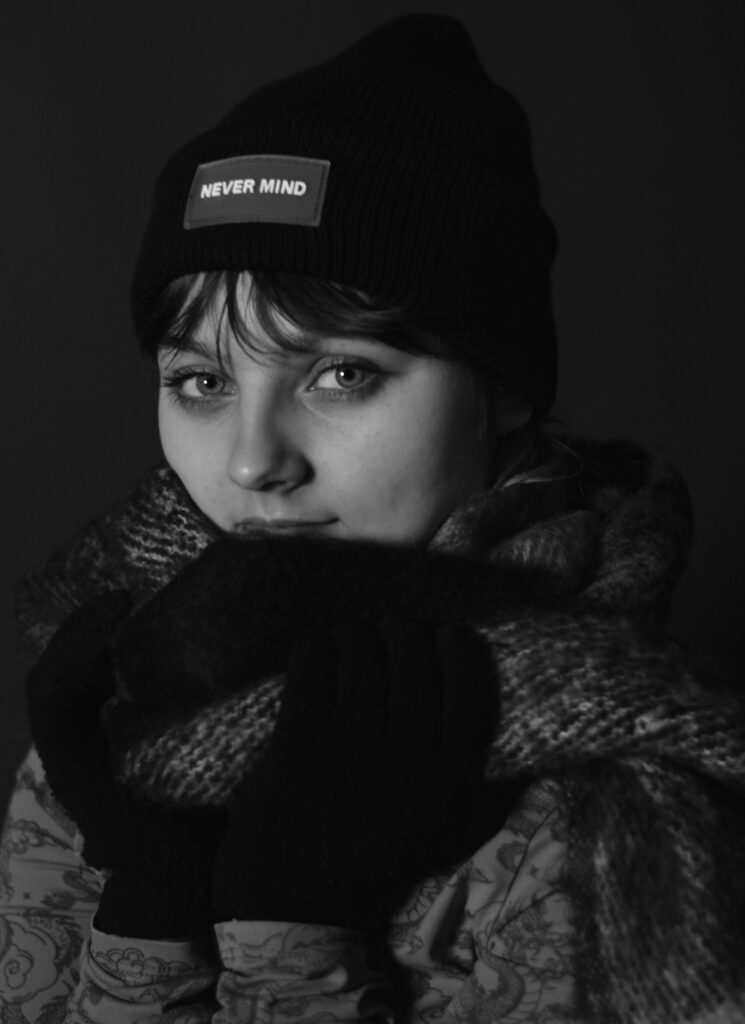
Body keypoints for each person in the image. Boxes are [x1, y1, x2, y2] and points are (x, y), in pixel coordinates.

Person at [2, 13, 744, 1023]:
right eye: (203, 381)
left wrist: (291, 925)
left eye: (342, 374)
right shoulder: (114, 711)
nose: (255, 460)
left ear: (503, 386)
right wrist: (152, 896)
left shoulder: (627, 802)